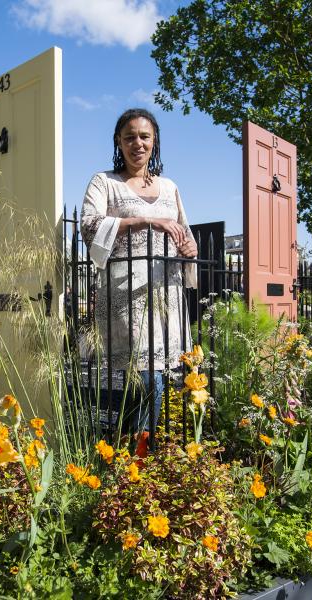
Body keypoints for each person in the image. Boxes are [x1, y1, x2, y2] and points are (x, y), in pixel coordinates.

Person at [80, 108, 198, 453]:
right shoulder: (105, 182)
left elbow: (185, 234)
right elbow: (89, 225)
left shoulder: (170, 187)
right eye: (129, 136)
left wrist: (188, 246)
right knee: (145, 373)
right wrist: (144, 220)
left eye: (144, 136)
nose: (137, 143)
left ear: (154, 141)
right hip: (125, 293)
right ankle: (140, 449)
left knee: (158, 373)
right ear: (119, 141)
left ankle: (133, 448)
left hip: (167, 293)